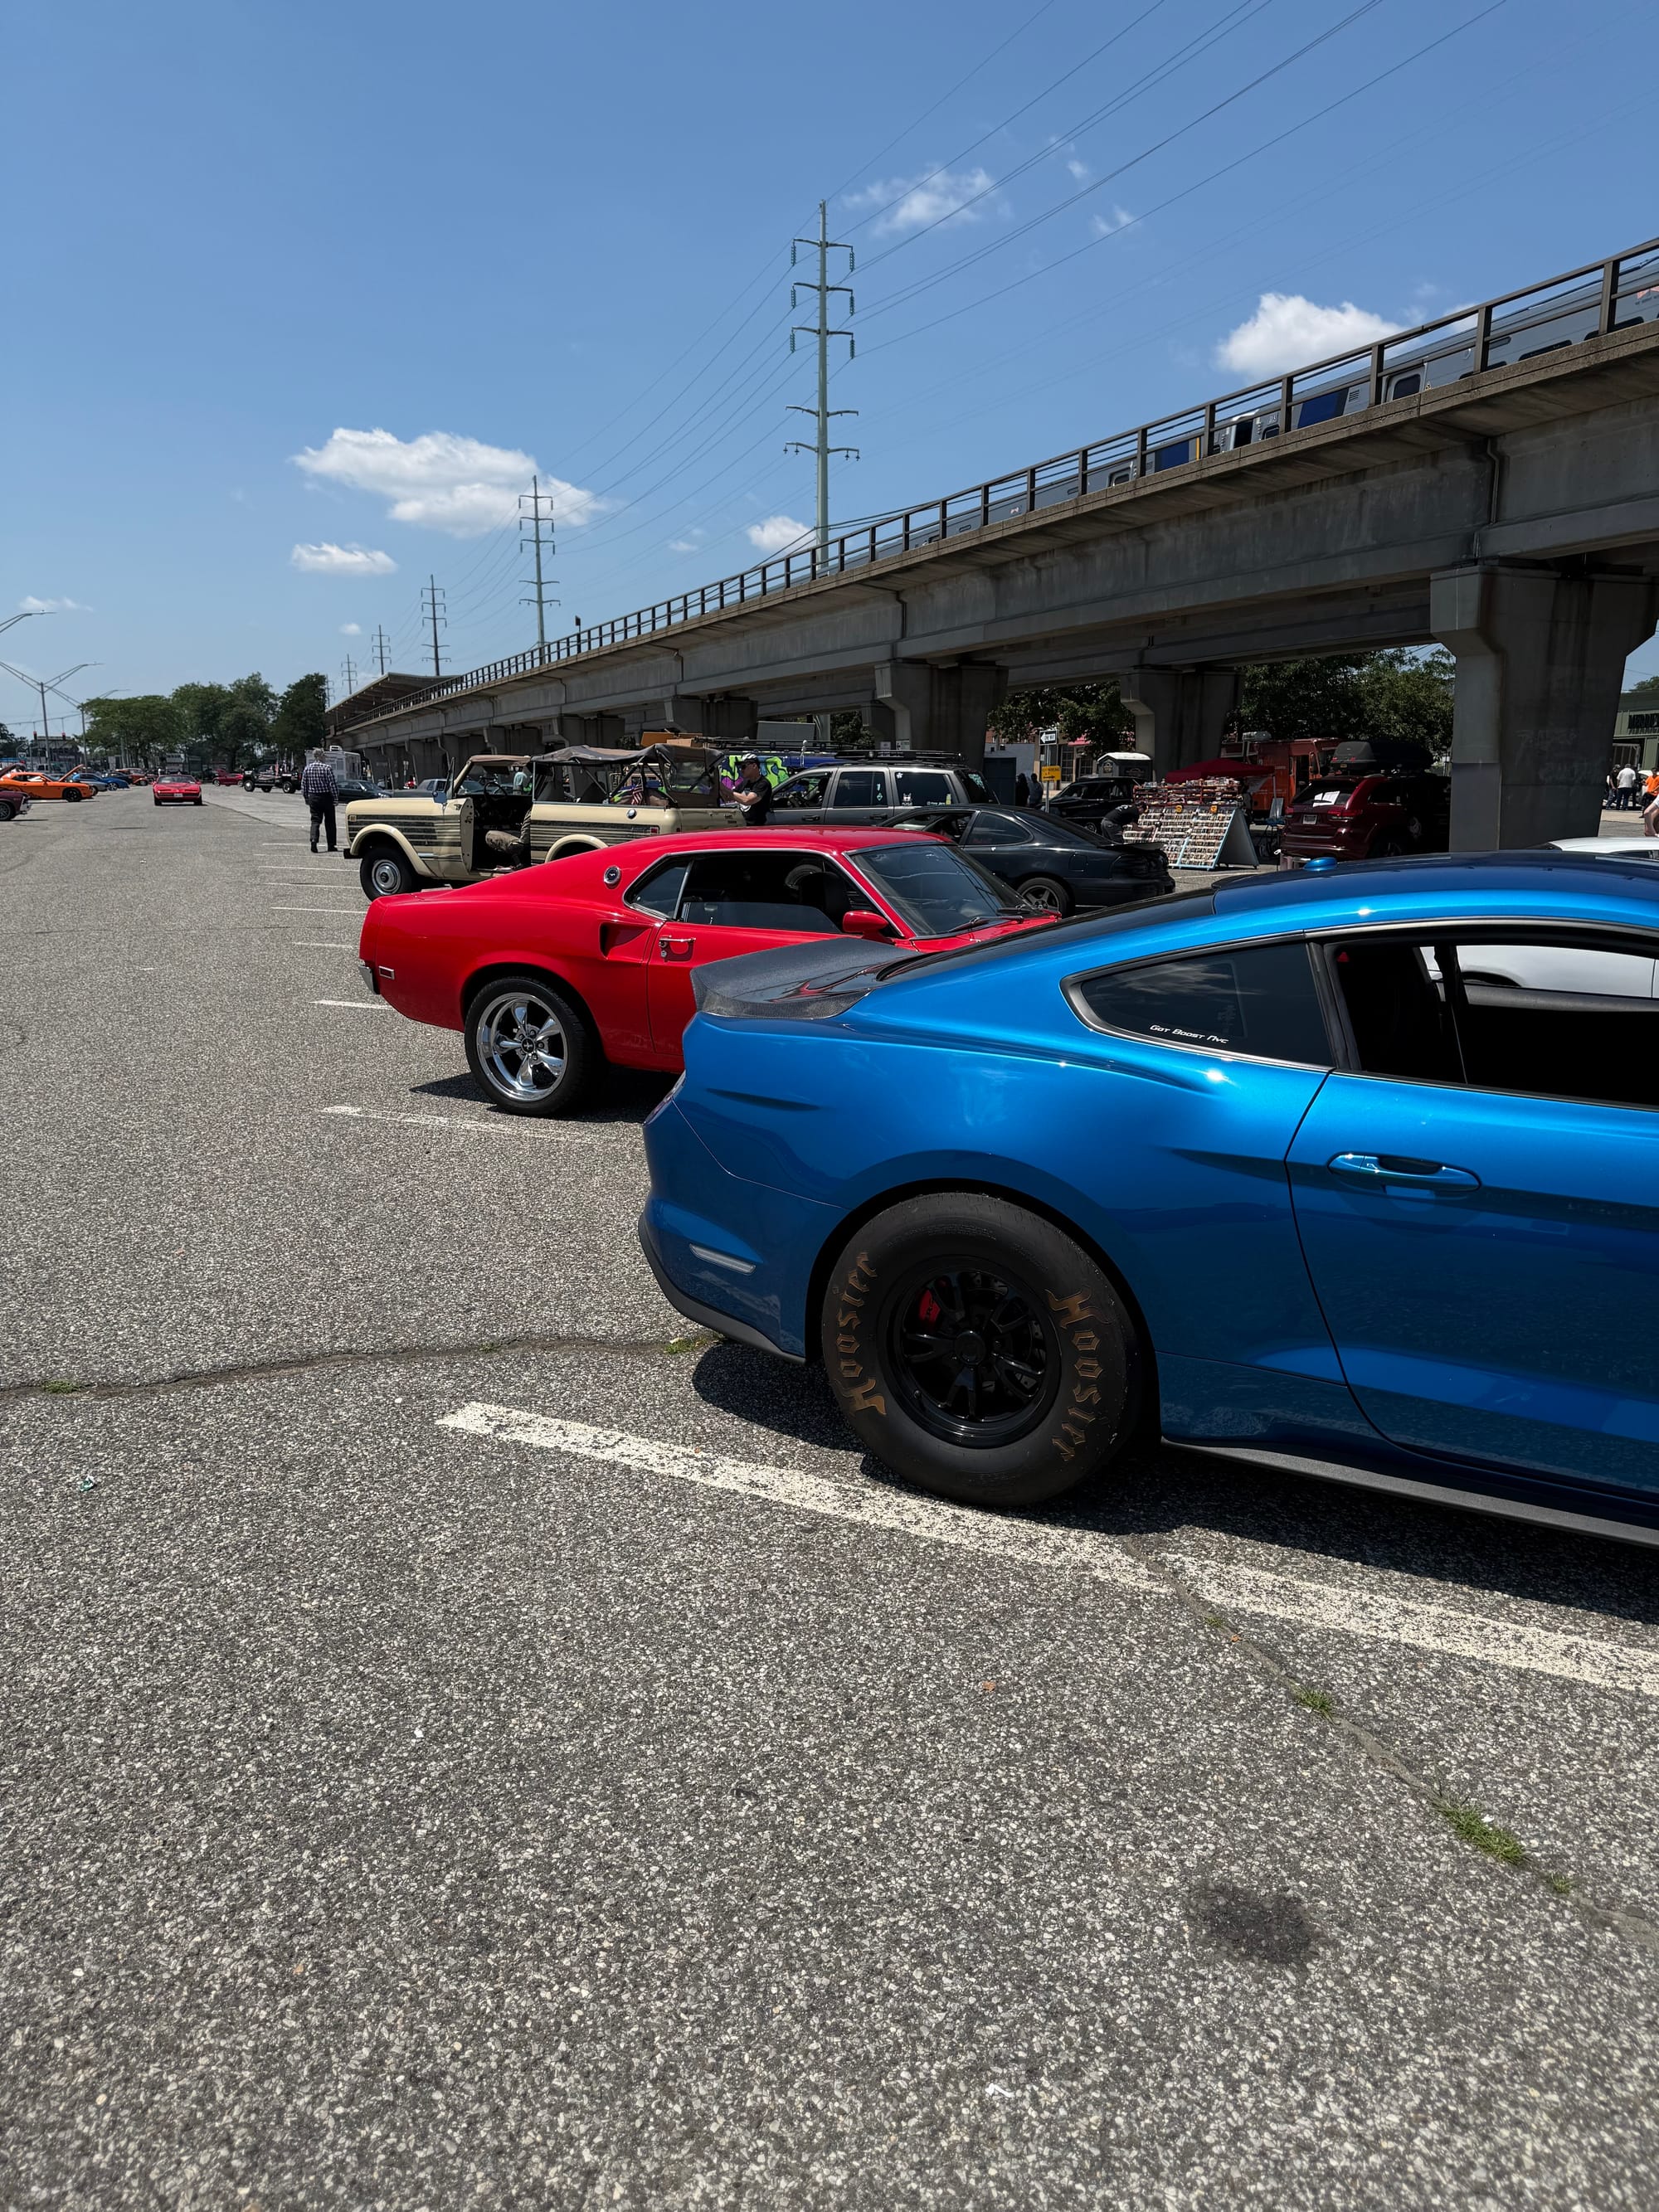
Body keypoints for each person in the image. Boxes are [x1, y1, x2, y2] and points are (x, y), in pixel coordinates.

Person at [299, 749, 339, 853]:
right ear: (320, 756)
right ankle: (331, 845)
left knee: (315, 820)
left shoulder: (308, 768)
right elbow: (332, 785)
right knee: (330, 822)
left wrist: (306, 798)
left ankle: (314, 840)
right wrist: (335, 798)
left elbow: (304, 785)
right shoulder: (327, 768)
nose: (325, 758)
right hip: (326, 797)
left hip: (313, 796)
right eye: (324, 756)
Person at [733, 756, 774, 825]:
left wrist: (731, 793)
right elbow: (728, 797)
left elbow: (747, 800)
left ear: (754, 766)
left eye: (743, 767)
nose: (741, 770)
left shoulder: (763, 783)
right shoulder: (745, 783)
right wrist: (719, 786)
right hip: (743, 824)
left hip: (757, 827)